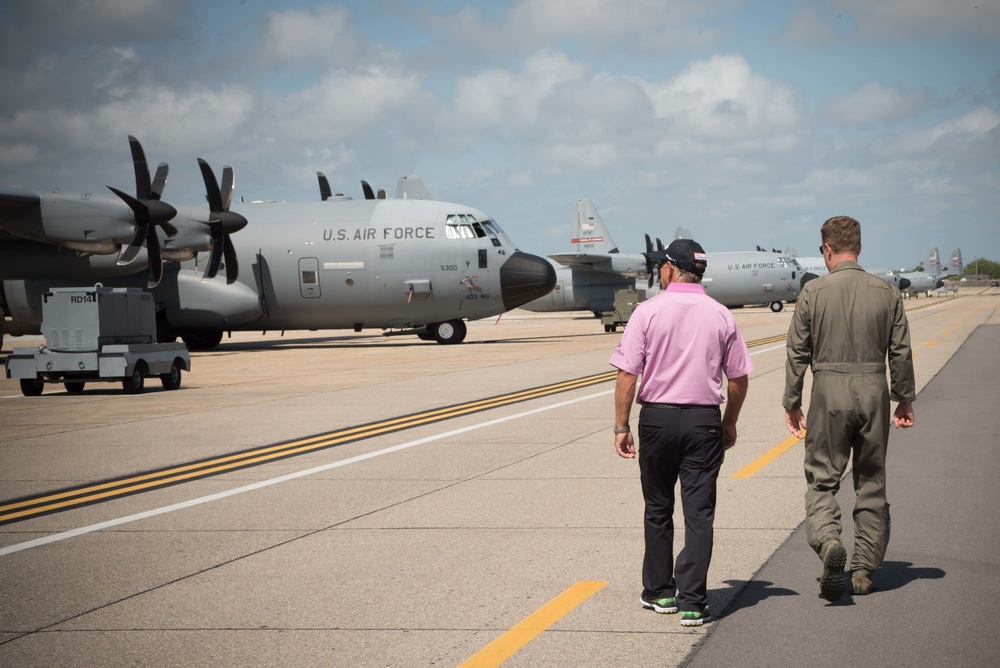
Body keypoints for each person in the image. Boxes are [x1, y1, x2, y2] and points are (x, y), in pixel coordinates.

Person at [610, 238, 752, 627]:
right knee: (699, 513)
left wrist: (622, 425)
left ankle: (659, 592)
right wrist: (729, 422)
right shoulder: (721, 314)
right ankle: (693, 600)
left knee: (658, 507)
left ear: (670, 268)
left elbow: (627, 375)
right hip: (703, 421)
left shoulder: (647, 312)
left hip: (656, 420)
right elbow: (738, 378)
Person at [783, 215, 916, 602]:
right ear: (858, 247)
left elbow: (796, 355)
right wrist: (904, 397)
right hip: (874, 389)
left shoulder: (813, 293)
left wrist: (792, 403)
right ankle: (862, 570)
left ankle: (828, 545)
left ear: (827, 249)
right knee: (871, 481)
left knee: (823, 478)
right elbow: (901, 352)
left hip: (829, 391)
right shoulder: (887, 292)